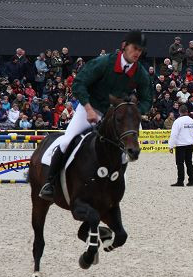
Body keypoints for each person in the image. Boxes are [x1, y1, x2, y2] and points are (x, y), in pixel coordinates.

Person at [39, 30, 153, 200]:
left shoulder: (140, 72)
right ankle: (50, 183)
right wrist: (88, 108)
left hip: (115, 117)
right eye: (135, 48)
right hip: (90, 109)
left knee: (124, 151)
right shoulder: (104, 62)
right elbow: (79, 83)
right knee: (67, 141)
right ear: (124, 46)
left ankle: (115, 184)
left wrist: (134, 111)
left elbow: (147, 99)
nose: (137, 53)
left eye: (140, 50)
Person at [168, 105, 193, 187]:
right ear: (187, 111)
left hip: (181, 145)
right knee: (189, 162)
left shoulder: (178, 121)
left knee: (180, 163)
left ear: (179, 112)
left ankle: (180, 181)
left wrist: (171, 146)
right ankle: (191, 180)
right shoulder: (191, 121)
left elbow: (174, 135)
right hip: (190, 144)